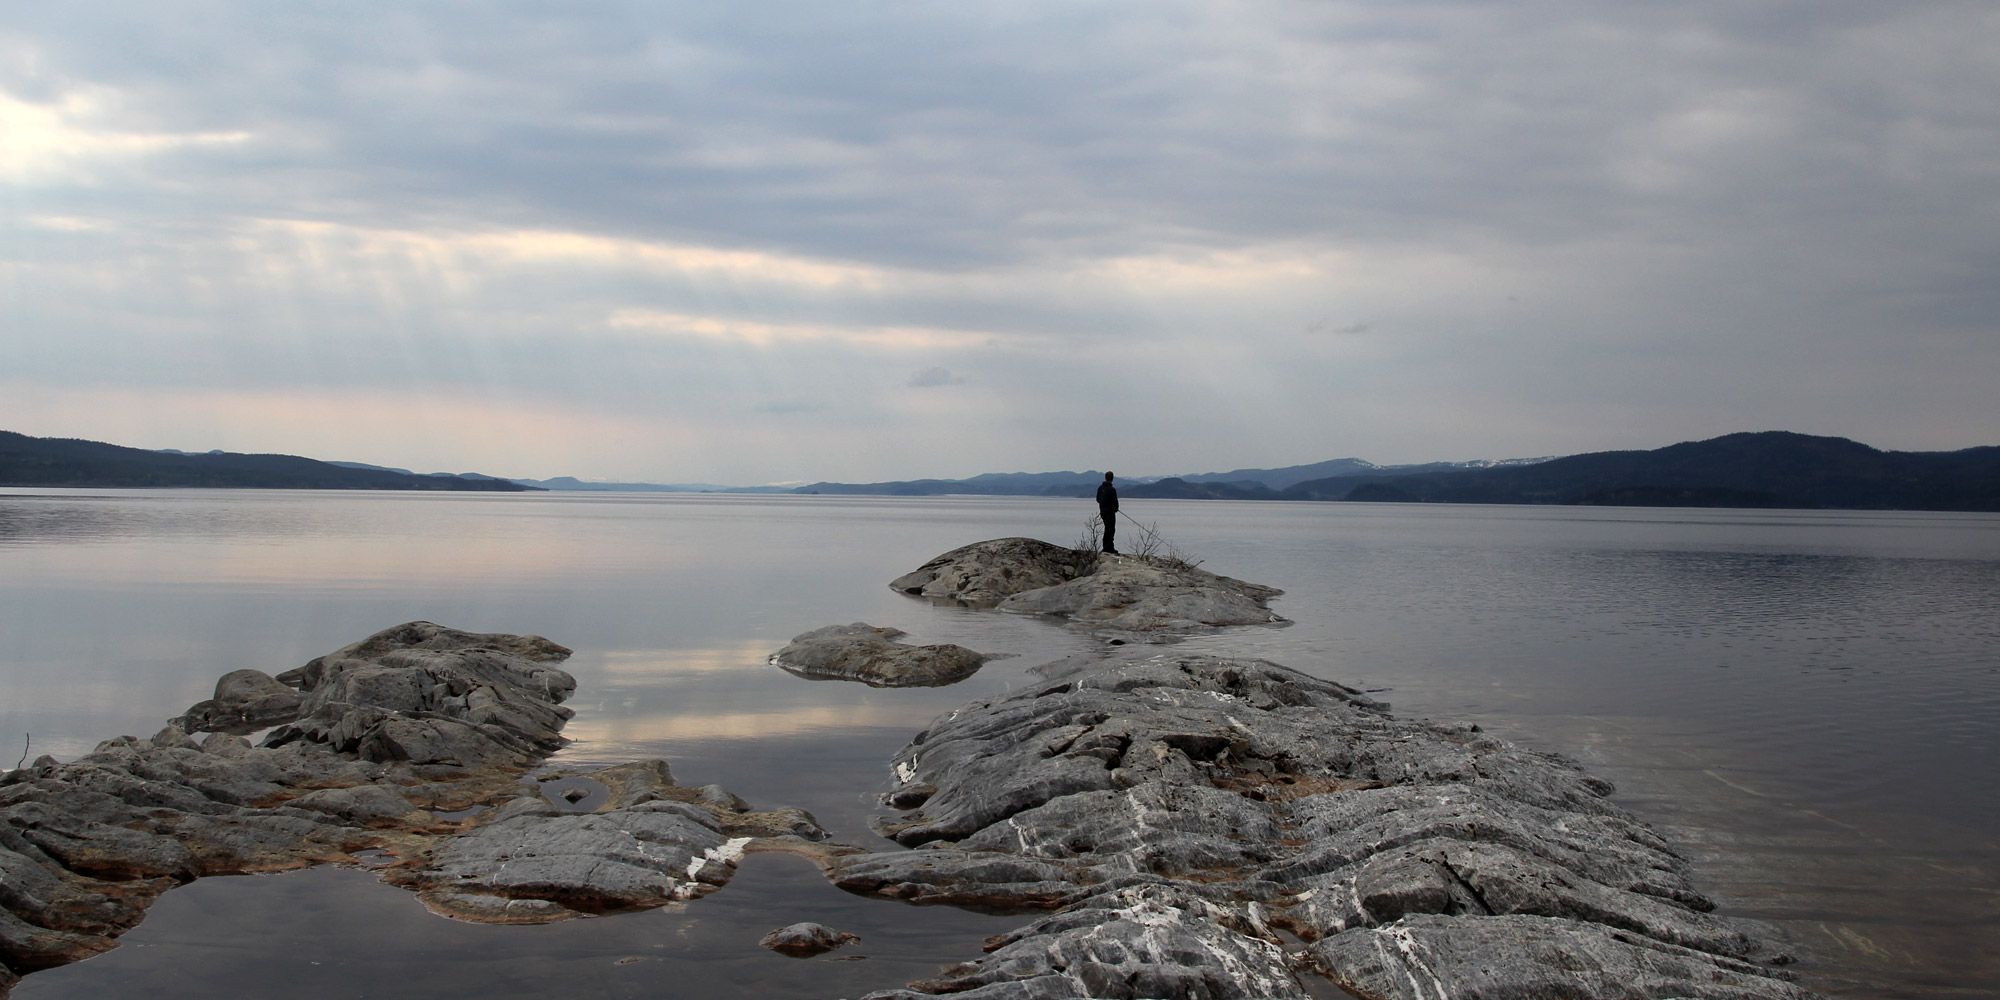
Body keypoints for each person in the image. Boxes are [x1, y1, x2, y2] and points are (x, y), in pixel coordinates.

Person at [1096, 471, 1119, 554]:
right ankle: (1109, 547)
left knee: (1107, 529)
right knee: (1111, 529)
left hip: (1103, 512)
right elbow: (1115, 502)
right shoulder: (1112, 490)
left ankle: (1106, 547)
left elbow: (1098, 500)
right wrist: (1115, 508)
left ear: (1105, 477)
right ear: (1112, 478)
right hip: (1110, 513)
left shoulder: (1100, 488)